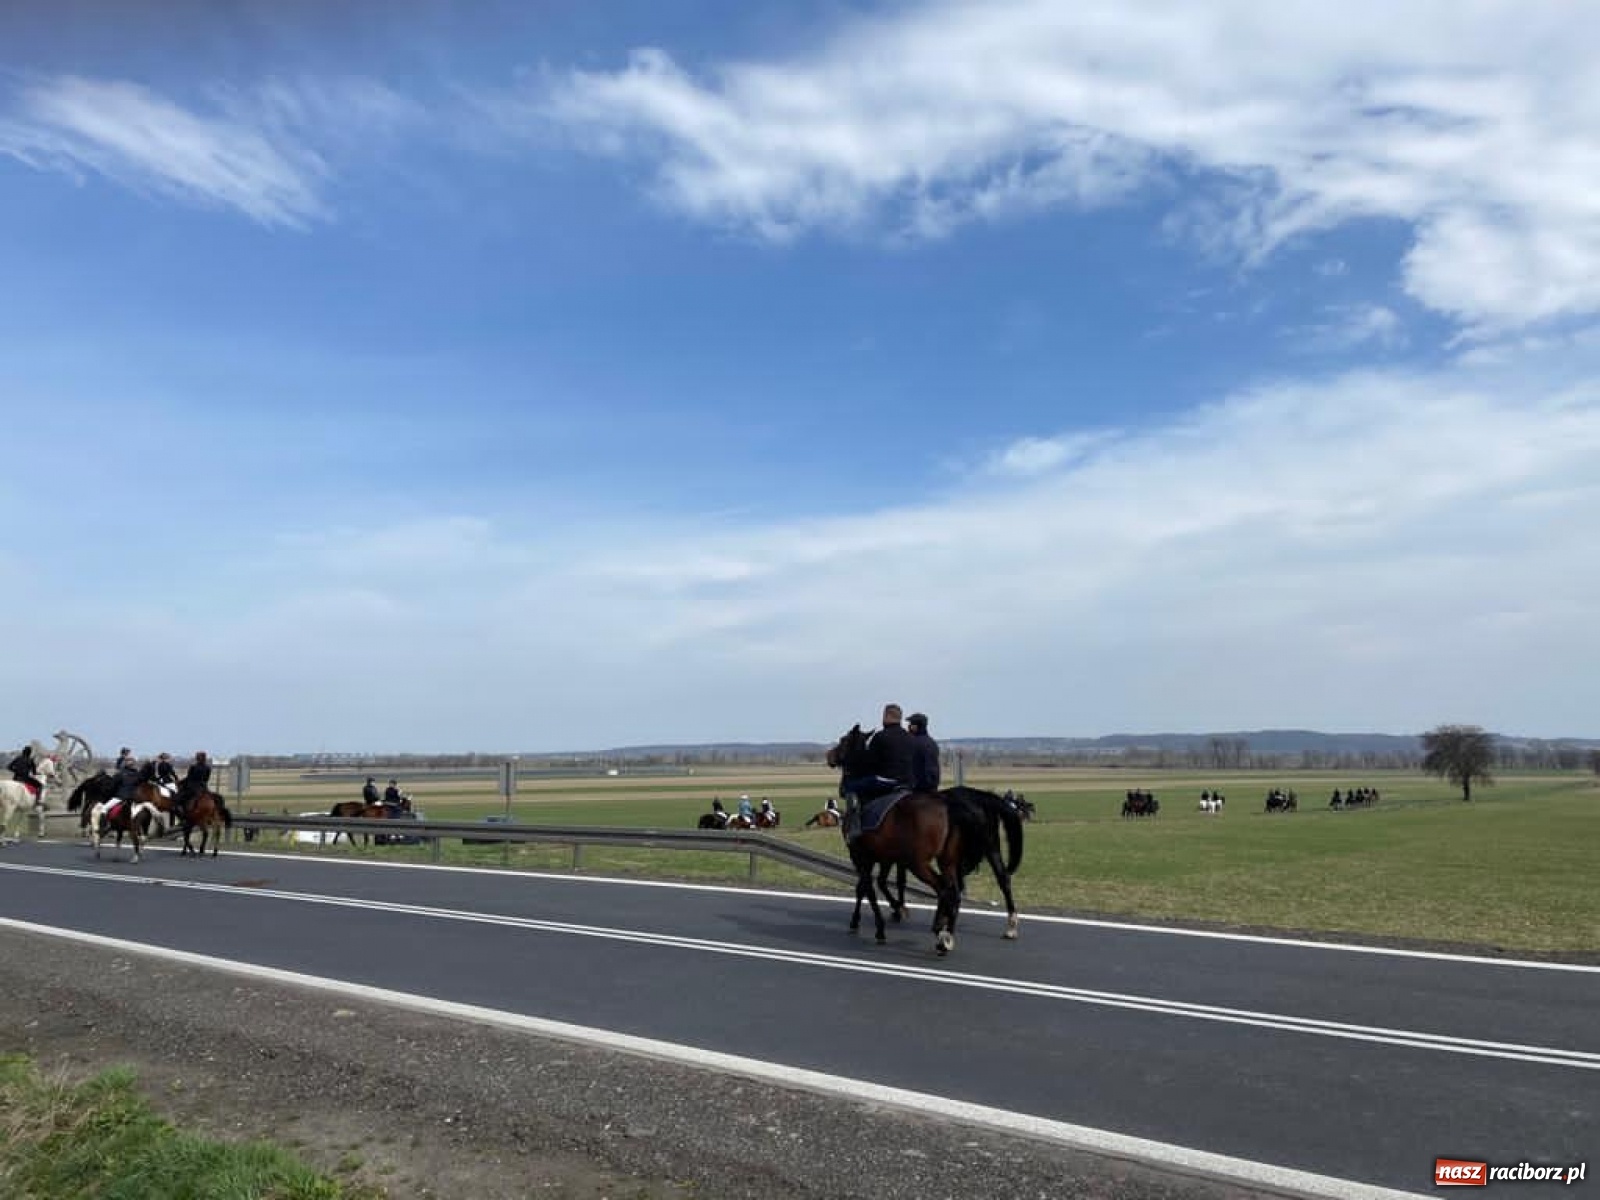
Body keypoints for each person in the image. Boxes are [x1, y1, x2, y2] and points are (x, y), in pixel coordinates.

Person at [907, 712, 940, 793]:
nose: (909, 727)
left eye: (911, 724)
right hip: (933, 786)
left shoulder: (913, 742)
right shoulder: (931, 742)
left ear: (916, 726)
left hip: (918, 788)